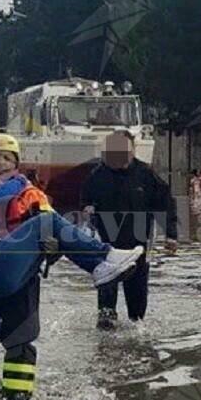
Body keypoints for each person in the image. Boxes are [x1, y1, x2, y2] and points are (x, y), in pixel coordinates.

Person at [0, 133, 143, 400]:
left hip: (21, 274)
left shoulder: (30, 193)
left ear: (16, 163)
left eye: (8, 157)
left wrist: (53, 250)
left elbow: (55, 229)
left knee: (19, 342)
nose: (1, 162)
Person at [81, 130, 178, 330]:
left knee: (137, 299)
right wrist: (87, 207)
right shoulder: (97, 175)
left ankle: (137, 326)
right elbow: (85, 199)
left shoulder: (146, 174)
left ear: (133, 150)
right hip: (107, 244)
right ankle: (106, 325)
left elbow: (165, 203)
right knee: (106, 295)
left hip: (139, 243)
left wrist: (171, 235)